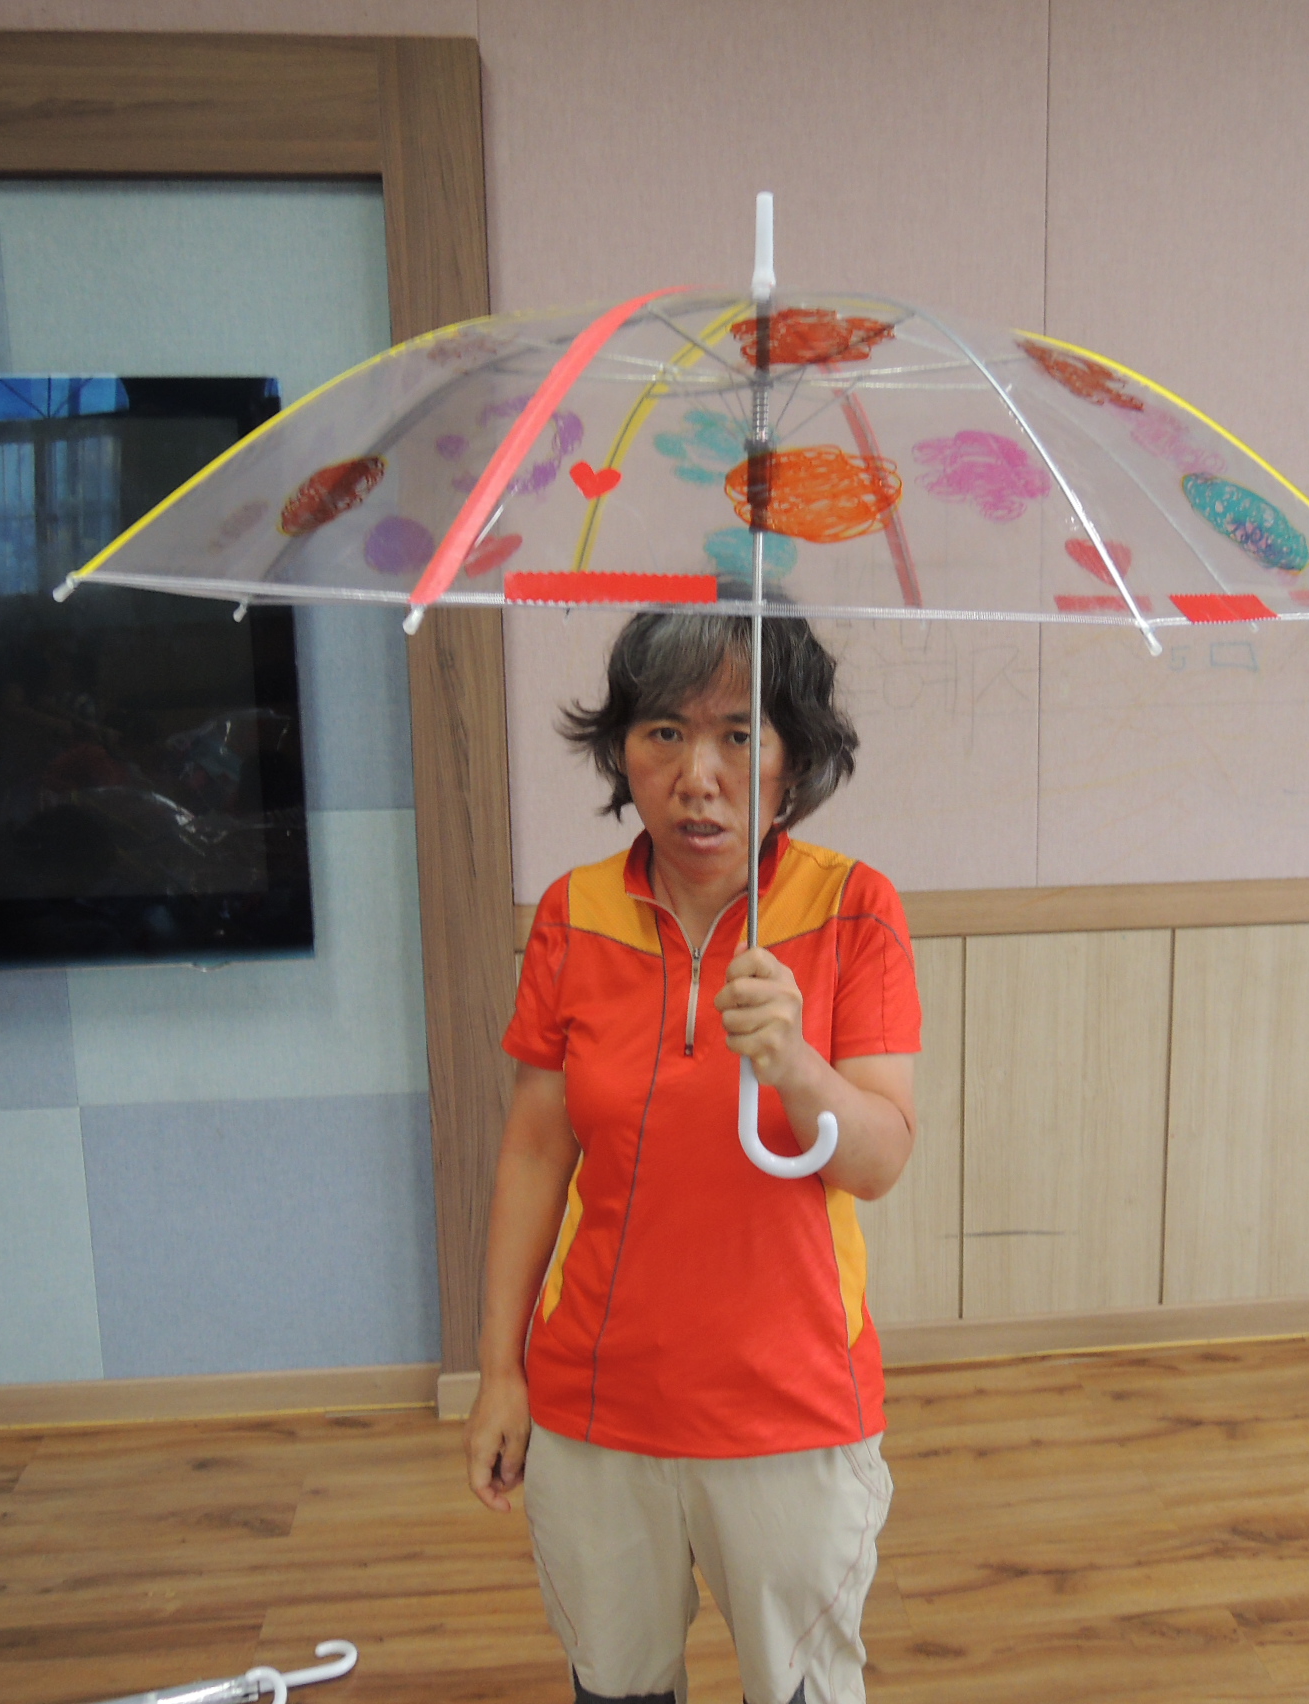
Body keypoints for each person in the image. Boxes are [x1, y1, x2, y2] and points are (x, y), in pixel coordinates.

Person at [464, 603, 922, 1704]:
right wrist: (499, 1371)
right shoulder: (575, 913)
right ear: (621, 750)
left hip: (791, 1413)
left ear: (794, 757)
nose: (696, 776)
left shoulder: (853, 909)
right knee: (615, 1690)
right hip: (595, 1409)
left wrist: (797, 1063)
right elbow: (535, 1153)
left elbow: (877, 1159)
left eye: (738, 734)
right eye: (663, 733)